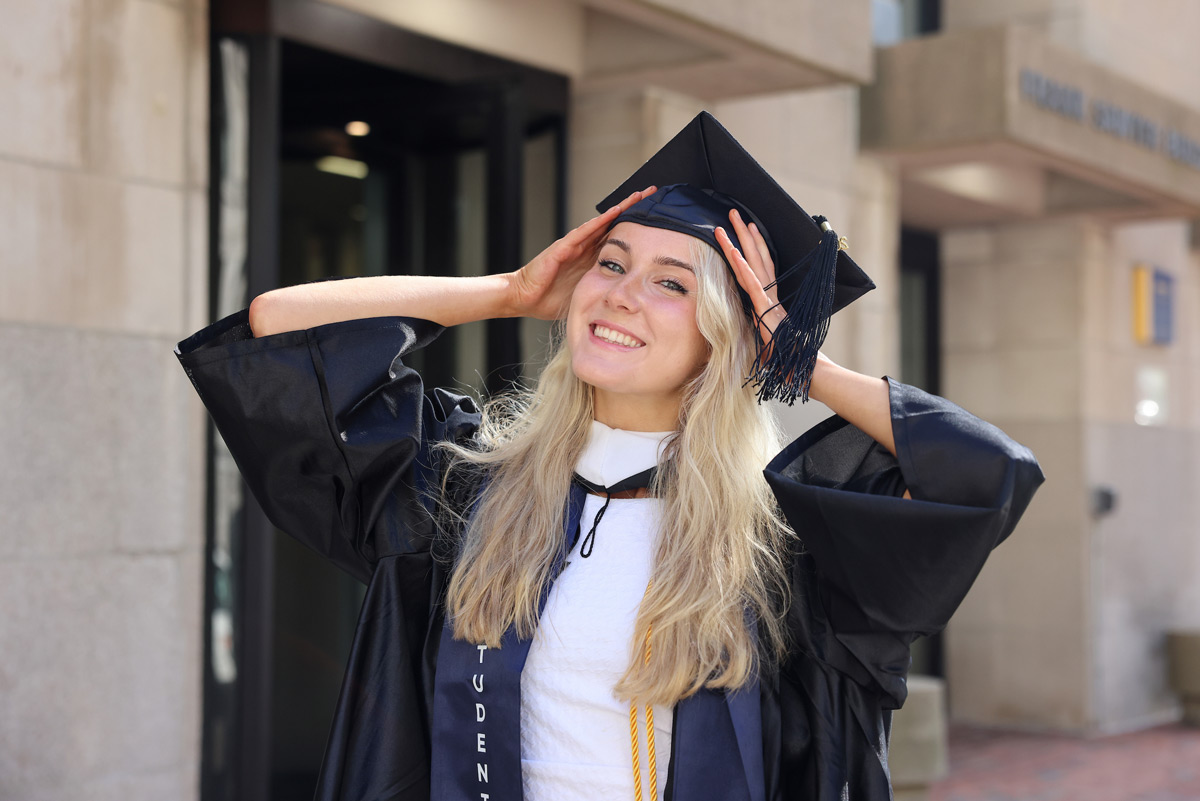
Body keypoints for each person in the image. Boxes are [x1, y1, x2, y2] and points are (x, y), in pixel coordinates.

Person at [176, 112, 1044, 801]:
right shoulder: (465, 489)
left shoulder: (781, 546)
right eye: (612, 262)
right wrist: (505, 292)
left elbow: (984, 473)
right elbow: (273, 327)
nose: (622, 293)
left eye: (673, 282)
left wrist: (790, 354)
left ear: (724, 334)